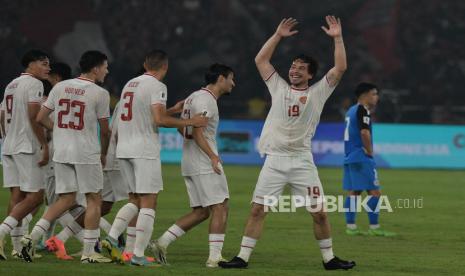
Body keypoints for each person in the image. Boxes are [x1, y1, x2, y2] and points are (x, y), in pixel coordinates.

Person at [219, 16, 355, 270]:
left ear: (310, 74)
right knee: (258, 210)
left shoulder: (318, 93)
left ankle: (329, 259)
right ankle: (242, 258)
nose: (294, 70)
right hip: (275, 161)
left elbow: (340, 68)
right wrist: (277, 35)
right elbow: (261, 60)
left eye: (301, 68)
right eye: (293, 67)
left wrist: (337, 38)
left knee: (320, 213)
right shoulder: (278, 87)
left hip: (303, 162)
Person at [101, 49, 208, 266]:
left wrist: (172, 111)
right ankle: (138, 255)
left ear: (145, 63)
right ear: (165, 67)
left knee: (135, 200)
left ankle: (112, 238)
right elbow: (158, 120)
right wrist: (191, 121)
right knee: (149, 201)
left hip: (124, 149)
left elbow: (145, 115)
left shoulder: (130, 84)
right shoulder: (158, 86)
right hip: (143, 150)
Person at [21, 50, 112, 264]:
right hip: (85, 151)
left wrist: (60, 132)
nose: (107, 71)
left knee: (66, 199)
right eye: (105, 67)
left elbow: (40, 117)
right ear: (96, 68)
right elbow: (105, 130)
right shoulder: (100, 93)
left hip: (61, 151)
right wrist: (104, 152)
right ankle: (89, 253)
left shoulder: (60, 87)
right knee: (94, 200)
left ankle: (31, 236)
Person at [150, 63, 234, 268]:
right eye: (231, 78)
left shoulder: (193, 97)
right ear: (221, 78)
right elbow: (197, 131)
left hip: (188, 161)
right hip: (203, 162)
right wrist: (213, 156)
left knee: (201, 212)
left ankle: (162, 242)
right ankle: (214, 258)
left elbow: (184, 129)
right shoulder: (207, 100)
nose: (234, 83)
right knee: (221, 206)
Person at [0, 50, 50, 260]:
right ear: (31, 64)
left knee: (17, 196)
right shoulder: (34, 84)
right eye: (44, 63)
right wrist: (43, 144)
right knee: (36, 197)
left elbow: (1, 115)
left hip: (9, 145)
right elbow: (33, 115)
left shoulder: (11, 85)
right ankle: (1, 233)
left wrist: (5, 137)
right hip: (26, 146)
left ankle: (17, 247)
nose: (48, 67)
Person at [343, 82, 396, 237]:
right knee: (375, 193)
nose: (376, 97)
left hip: (350, 156)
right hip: (361, 156)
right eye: (374, 94)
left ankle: (351, 227)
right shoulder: (362, 110)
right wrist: (370, 151)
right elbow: (364, 133)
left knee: (355, 192)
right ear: (364, 95)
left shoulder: (350, 110)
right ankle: (374, 227)